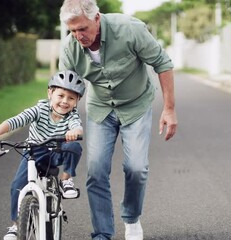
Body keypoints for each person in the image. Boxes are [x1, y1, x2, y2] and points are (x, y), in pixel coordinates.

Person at [58, 0, 178, 239]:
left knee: (136, 168)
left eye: (82, 29)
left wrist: (169, 109)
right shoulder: (70, 47)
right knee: (96, 170)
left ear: (97, 18)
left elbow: (162, 64)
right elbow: (64, 89)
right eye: (72, 31)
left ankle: (131, 219)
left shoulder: (130, 30)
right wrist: (58, 123)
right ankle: (103, 233)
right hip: (100, 108)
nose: (78, 36)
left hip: (136, 104)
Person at [0, 70, 85, 240]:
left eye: (71, 98)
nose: (65, 101)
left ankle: (66, 180)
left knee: (74, 146)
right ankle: (15, 225)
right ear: (50, 93)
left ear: (77, 101)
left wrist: (74, 132)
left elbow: (77, 127)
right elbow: (15, 120)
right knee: (17, 186)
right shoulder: (40, 109)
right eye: (61, 95)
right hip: (33, 153)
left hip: (56, 152)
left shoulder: (72, 116)